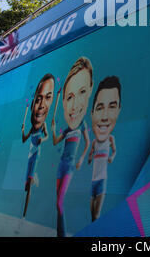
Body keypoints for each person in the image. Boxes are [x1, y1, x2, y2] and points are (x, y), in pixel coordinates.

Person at [52, 57, 93, 237]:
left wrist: (82, 159)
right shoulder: (69, 128)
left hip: (69, 166)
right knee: (57, 202)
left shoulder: (82, 124)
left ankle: (61, 234)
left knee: (60, 201)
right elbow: (55, 141)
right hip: (61, 166)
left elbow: (88, 142)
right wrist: (53, 128)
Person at [21, 73, 56, 217]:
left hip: (36, 155)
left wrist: (44, 139)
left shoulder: (42, 126)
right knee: (26, 185)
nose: (41, 105)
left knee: (29, 185)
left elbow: (47, 136)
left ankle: (25, 213)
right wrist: (23, 130)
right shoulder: (33, 127)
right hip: (29, 156)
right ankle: (32, 179)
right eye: (39, 98)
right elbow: (24, 139)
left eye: (48, 97)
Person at [88, 76, 121, 222]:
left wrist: (112, 157)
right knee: (91, 214)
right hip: (93, 181)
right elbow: (90, 153)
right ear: (92, 113)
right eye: (100, 108)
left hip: (102, 180)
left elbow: (114, 151)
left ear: (119, 110)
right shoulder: (95, 142)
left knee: (97, 215)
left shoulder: (111, 139)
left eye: (112, 107)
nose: (105, 116)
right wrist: (89, 157)